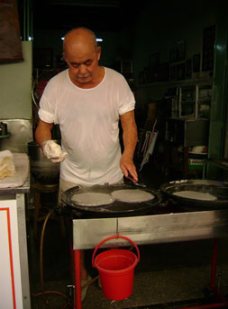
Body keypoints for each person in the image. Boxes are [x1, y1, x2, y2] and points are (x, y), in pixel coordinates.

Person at [35, 26, 138, 299]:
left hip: (110, 174)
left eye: (88, 62)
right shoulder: (56, 86)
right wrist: (47, 144)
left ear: (99, 53)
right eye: (74, 64)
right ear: (65, 60)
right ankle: (80, 276)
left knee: (110, 235)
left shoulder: (117, 83)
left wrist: (127, 155)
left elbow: (129, 124)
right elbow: (42, 128)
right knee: (73, 235)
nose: (81, 70)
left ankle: (107, 272)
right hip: (73, 175)